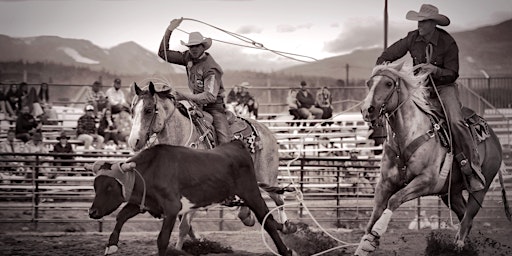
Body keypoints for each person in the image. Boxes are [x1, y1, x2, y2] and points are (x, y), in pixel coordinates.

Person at [375, 4, 484, 192]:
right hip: (422, 88)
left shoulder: (447, 42)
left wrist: (436, 70)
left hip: (444, 88)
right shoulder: (412, 38)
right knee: (402, 112)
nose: (420, 25)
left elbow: (452, 73)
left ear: (433, 24)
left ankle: (472, 167)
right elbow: (391, 53)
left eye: (424, 22)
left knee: (456, 121)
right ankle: (402, 161)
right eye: (419, 21)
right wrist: (381, 66)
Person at [158, 18, 233, 145]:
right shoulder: (187, 57)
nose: (193, 49)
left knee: (224, 142)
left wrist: (184, 96)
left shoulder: (211, 68)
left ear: (203, 47)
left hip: (214, 108)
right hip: (196, 105)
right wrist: (169, 30)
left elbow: (209, 96)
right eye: (191, 46)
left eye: (197, 46)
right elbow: (163, 53)